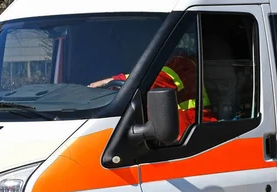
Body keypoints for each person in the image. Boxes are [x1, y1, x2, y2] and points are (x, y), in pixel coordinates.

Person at [89, 53, 217, 138]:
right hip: (164, 136)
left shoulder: (181, 63)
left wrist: (111, 81)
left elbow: (155, 80)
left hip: (191, 136)